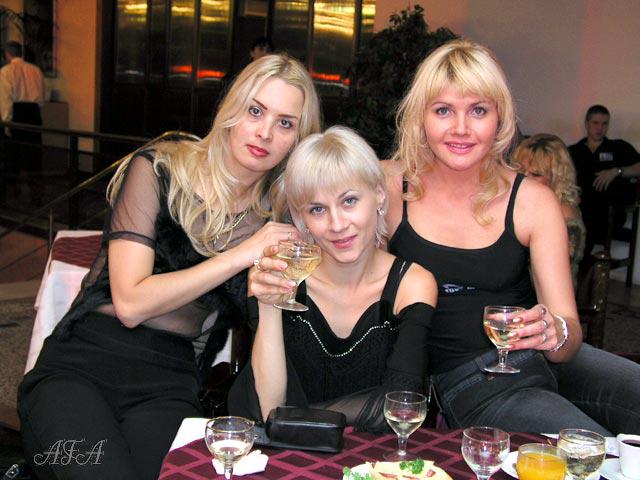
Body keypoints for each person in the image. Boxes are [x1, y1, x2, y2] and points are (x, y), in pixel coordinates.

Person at [17, 53, 321, 480]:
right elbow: (130, 304)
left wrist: (272, 293)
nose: (265, 132)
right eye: (256, 111)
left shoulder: (277, 223)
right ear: (232, 108)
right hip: (82, 366)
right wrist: (241, 254)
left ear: (297, 140)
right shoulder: (160, 170)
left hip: (169, 385)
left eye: (285, 123)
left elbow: (272, 385)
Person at [384, 39, 640, 435]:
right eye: (443, 110)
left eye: (478, 110)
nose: (461, 128)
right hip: (467, 377)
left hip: (540, 358)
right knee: (588, 450)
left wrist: (556, 332)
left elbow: (569, 333)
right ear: (420, 116)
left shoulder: (532, 200)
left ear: (499, 117)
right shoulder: (386, 186)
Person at [228, 126, 437, 432]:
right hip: (285, 453)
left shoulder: (412, 284)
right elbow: (267, 408)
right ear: (301, 219)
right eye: (317, 209)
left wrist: (291, 419)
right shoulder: (279, 276)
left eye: (349, 201)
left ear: (379, 195)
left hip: (371, 457)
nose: (337, 224)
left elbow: (400, 407)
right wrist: (269, 306)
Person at [512, 133, 586, 286]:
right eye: (520, 170)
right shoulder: (522, 202)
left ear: (557, 179)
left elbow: (549, 277)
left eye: (535, 174)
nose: (524, 178)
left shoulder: (565, 214)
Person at [568, 105, 640, 255]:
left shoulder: (618, 147)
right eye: (595, 123)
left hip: (609, 213)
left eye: (604, 124)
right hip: (580, 210)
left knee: (582, 225)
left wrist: (617, 171)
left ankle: (582, 264)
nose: (600, 128)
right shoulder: (574, 151)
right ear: (586, 124)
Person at [0, 41, 45, 200]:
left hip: (17, 113)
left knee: (12, 156)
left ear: (7, 54)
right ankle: (37, 195)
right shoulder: (36, 70)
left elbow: (5, 99)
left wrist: (6, 122)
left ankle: (13, 194)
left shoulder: (6, 71)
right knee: (34, 155)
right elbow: (41, 98)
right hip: (33, 114)